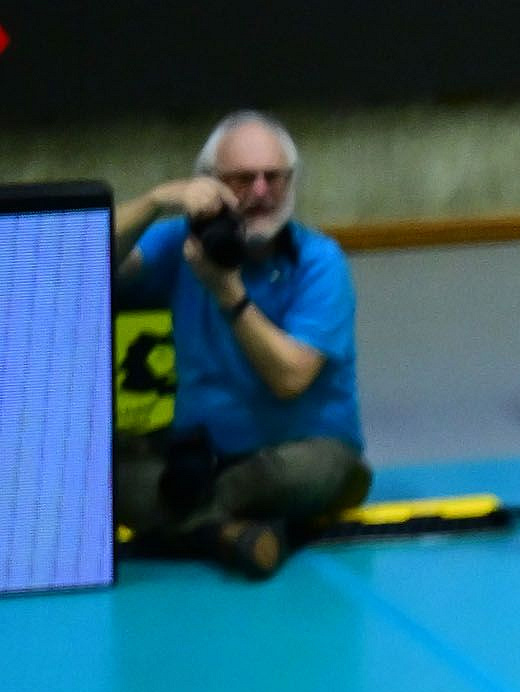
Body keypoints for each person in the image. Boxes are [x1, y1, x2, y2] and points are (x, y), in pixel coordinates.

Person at [108, 116, 365, 580]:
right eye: (243, 179)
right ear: (210, 184)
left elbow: (289, 378)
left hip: (297, 451)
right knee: (101, 475)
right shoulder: (179, 244)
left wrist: (227, 292)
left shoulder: (320, 261)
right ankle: (228, 533)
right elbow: (81, 260)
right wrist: (156, 201)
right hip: (200, 453)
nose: (262, 192)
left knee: (300, 474)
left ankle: (189, 517)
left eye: (274, 177)